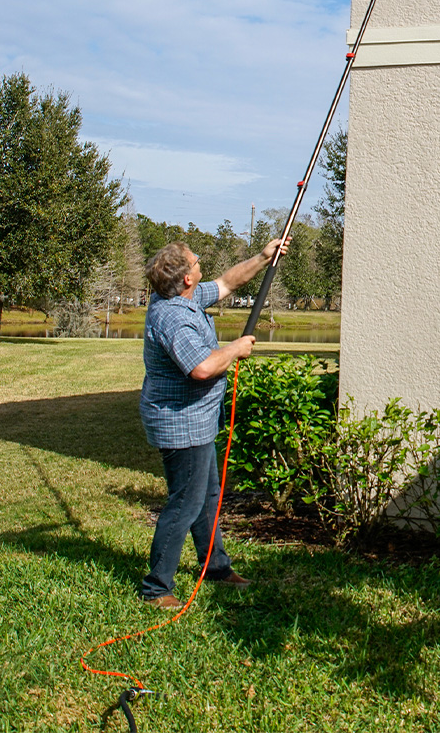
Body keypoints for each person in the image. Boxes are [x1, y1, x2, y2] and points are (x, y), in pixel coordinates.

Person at [139, 237, 288, 608]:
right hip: (180, 423)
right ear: (186, 279)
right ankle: (157, 587)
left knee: (205, 497)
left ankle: (216, 568)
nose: (199, 262)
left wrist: (262, 257)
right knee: (185, 504)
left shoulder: (181, 297)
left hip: (197, 421)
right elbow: (202, 367)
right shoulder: (172, 317)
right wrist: (236, 348)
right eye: (195, 262)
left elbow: (226, 283)